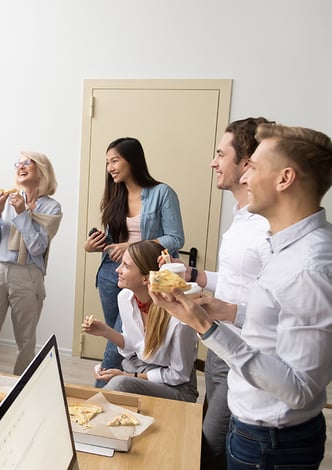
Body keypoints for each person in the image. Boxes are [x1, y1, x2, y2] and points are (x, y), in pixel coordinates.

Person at [151, 123, 332, 469]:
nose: (245, 178)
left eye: (254, 167)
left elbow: (300, 389)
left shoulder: (310, 265)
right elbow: (275, 323)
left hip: (271, 441)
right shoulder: (287, 247)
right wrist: (218, 309)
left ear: (284, 179)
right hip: (254, 423)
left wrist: (206, 326)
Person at [183, 117, 272, 470]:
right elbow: (240, 278)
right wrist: (198, 276)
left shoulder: (268, 224)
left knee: (208, 446)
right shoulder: (241, 217)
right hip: (220, 345)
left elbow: (278, 307)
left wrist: (226, 309)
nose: (213, 162)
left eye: (221, 154)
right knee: (212, 438)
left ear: (246, 164)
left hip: (246, 352)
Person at [84, 137, 184, 387]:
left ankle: (103, 396)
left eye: (115, 160)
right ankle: (132, 388)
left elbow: (176, 238)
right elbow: (112, 240)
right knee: (122, 340)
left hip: (145, 275)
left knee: (114, 347)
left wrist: (131, 247)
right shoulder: (115, 195)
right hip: (111, 273)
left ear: (133, 160)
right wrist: (92, 246)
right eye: (107, 162)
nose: (110, 167)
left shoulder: (162, 193)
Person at [0, 152, 62, 375]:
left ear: (41, 170)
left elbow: (38, 248)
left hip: (28, 274)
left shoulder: (52, 208)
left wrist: (22, 214)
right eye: (17, 163)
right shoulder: (7, 199)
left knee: (25, 342)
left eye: (26, 163)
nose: (20, 166)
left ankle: (19, 392)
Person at [82, 240, 198, 402]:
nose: (117, 270)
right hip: (142, 369)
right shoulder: (125, 298)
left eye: (126, 266)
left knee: (120, 383)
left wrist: (129, 376)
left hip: (176, 387)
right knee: (118, 379)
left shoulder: (179, 318)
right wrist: (105, 331)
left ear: (146, 279)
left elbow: (179, 375)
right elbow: (133, 347)